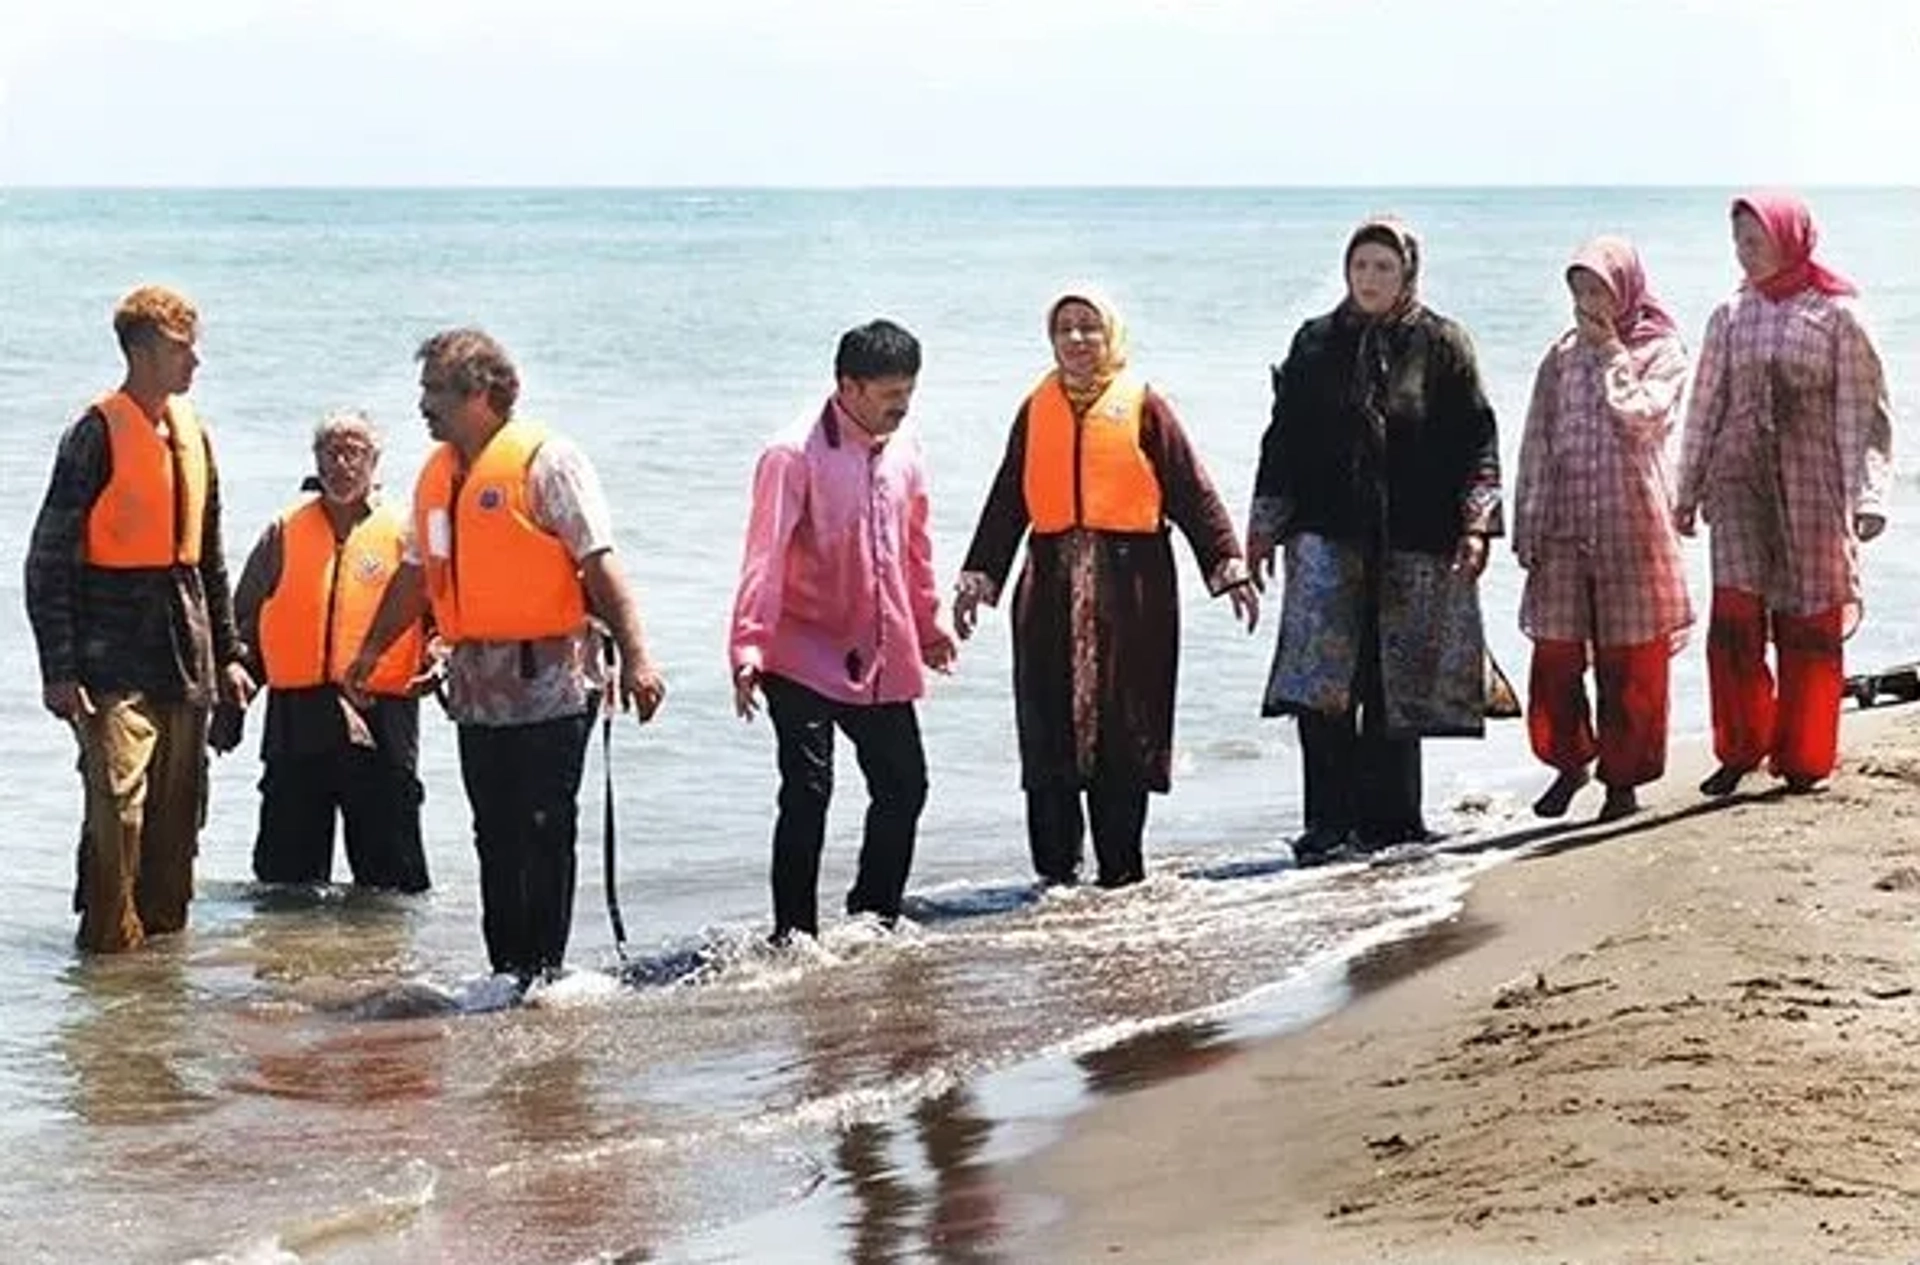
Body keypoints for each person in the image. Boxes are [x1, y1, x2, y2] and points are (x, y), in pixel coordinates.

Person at [345, 328, 666, 986]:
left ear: (482, 395)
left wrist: (638, 657)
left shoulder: (549, 463)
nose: (423, 405)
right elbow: (413, 575)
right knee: (493, 832)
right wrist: (372, 648)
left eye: (434, 391)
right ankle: (503, 975)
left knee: (544, 828)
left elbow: (600, 564)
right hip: (477, 688)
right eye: (424, 390)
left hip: (552, 680)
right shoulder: (437, 477)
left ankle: (543, 973)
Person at [953, 289, 1256, 889]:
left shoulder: (1145, 406)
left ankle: (1122, 879)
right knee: (1047, 736)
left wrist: (1228, 565)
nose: (1076, 339)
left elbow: (1192, 492)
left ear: (1110, 335)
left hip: (1133, 590)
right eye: (1064, 328)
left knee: (1126, 729)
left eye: (1089, 328)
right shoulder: (1035, 408)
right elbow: (1007, 500)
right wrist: (977, 580)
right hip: (1048, 590)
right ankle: (1054, 885)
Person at [1246, 218, 1502, 865]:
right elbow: (1282, 442)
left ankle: (1393, 826)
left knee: (1397, 687)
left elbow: (1478, 438)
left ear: (1408, 271)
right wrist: (1262, 527)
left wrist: (1476, 524)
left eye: (1384, 267)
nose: (1370, 279)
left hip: (1416, 542)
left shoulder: (1442, 344)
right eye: (1361, 266)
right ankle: (1326, 825)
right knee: (1322, 687)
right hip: (1324, 541)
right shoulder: (1314, 344)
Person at [24, 284, 254, 952]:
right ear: (141, 352)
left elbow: (209, 559)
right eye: (183, 350)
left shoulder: (195, 437)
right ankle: (104, 959)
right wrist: (59, 669)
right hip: (107, 662)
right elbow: (47, 560)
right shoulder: (94, 433)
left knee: (176, 824)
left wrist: (233, 653)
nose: (196, 363)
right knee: (117, 809)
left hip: (185, 657)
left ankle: (156, 990)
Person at [729, 319, 956, 944]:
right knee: (808, 791)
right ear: (847, 386)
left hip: (879, 648)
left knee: (905, 784)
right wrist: (748, 645)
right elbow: (764, 554)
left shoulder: (906, 446)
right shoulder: (791, 454)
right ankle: (793, 937)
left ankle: (873, 916)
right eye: (889, 395)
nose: (901, 407)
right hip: (798, 649)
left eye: (908, 392)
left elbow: (915, 545)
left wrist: (930, 624)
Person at [1675, 192, 1894, 796]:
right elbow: (1705, 406)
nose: (1746, 255)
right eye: (1739, 243)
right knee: (1736, 621)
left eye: (1756, 242)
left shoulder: (1837, 316)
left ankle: (1803, 757)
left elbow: (1865, 415)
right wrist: (1686, 488)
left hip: (1811, 485)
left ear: (1790, 239)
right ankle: (1741, 747)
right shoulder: (1730, 315)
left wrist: (1868, 496)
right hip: (1738, 480)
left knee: (1808, 624)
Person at [1513, 237, 1693, 823]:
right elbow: (1536, 444)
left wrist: (1613, 351)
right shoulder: (1559, 358)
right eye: (1580, 290)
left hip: (1631, 528)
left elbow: (1644, 419)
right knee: (1556, 656)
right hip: (1565, 527)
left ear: (1626, 292)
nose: (1589, 302)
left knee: (1631, 662)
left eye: (1600, 290)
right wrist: (1529, 522)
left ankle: (1624, 781)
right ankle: (1570, 761)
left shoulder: (1659, 350)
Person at [225, 409, 434, 892]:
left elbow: (439, 619)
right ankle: (290, 962)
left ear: (375, 461)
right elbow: (242, 627)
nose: (340, 464)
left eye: (353, 452)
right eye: (329, 452)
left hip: (383, 717)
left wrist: (440, 661)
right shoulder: (282, 532)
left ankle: (383, 969)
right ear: (315, 460)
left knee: (391, 887)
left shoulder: (405, 533)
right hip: (297, 721)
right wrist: (231, 696)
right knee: (284, 884)